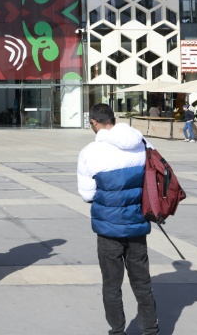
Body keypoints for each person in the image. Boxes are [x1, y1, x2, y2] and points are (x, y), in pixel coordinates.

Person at [77, 103, 159, 335]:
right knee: (142, 285)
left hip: (108, 230)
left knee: (112, 285)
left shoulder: (89, 153)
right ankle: (151, 330)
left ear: (93, 122)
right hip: (137, 227)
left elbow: (87, 195)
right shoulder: (143, 144)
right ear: (114, 119)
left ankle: (117, 331)